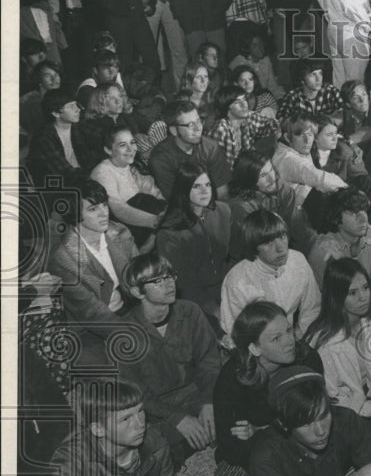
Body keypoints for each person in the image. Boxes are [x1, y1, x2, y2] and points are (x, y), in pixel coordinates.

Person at [249, 365, 371, 476]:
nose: (320, 430)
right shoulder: (266, 451)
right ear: (283, 425)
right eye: (307, 423)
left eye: (323, 415)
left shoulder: (345, 421)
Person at [120, 253, 220, 466]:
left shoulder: (190, 312)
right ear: (138, 292)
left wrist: (209, 401)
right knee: (154, 452)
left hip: (197, 397)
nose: (169, 284)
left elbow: (209, 362)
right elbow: (135, 393)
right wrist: (177, 418)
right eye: (157, 281)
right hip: (157, 412)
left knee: (236, 422)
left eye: (170, 276)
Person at [213, 301, 324, 476]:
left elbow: (315, 422)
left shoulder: (308, 360)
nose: (290, 341)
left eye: (289, 330)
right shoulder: (232, 378)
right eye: (276, 338)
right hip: (252, 456)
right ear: (254, 348)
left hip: (305, 449)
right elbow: (231, 446)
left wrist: (261, 430)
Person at [43, 379, 180, 476]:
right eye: (126, 419)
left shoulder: (155, 443)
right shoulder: (73, 459)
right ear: (98, 429)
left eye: (140, 411)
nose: (140, 424)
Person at [303, 257, 371, 425]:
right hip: (345, 415)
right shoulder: (324, 344)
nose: (363, 298)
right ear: (337, 297)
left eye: (365, 288)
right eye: (352, 293)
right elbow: (332, 399)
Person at [47, 178, 138, 325]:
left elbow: (141, 279)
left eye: (104, 205)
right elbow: (90, 312)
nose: (104, 213)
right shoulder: (63, 258)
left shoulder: (120, 232)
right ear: (74, 213)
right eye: (93, 209)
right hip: (96, 326)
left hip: (130, 309)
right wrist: (130, 331)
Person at [220, 209, 321, 340]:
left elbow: (312, 308)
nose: (280, 249)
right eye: (268, 242)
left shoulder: (298, 260)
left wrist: (300, 338)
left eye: (282, 236)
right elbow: (235, 333)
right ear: (254, 247)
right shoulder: (237, 281)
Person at [155, 161, 232, 323]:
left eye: (208, 184)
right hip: (195, 300)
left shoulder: (223, 211)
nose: (205, 191)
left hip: (229, 286)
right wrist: (213, 309)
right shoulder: (170, 231)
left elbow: (237, 253)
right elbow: (183, 283)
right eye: (196, 186)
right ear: (184, 189)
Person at [89, 124, 165, 248]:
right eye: (123, 145)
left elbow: (155, 193)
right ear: (108, 150)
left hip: (146, 224)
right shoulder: (102, 172)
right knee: (142, 200)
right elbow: (118, 209)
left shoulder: (130, 167)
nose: (131, 149)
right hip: (119, 230)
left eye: (132, 142)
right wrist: (156, 221)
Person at [148, 99, 231, 203]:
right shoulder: (160, 159)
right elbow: (175, 201)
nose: (198, 128)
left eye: (198, 121)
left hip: (211, 206)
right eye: (190, 125)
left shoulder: (211, 147)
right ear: (174, 131)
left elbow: (222, 192)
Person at [270, 112, 349, 206]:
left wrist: (353, 145)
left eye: (310, 135)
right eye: (300, 135)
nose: (307, 140)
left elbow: (334, 138)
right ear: (287, 137)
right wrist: (347, 189)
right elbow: (317, 177)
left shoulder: (296, 148)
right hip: (294, 211)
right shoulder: (287, 158)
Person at [28, 89, 100, 183]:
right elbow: (65, 173)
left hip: (83, 177)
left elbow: (104, 139)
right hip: (59, 187)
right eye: (71, 106)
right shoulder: (43, 138)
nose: (78, 109)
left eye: (76, 104)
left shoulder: (76, 125)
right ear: (56, 113)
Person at [208, 84, 280, 170]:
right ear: (227, 107)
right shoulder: (220, 131)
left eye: (244, 99)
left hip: (244, 170)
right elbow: (218, 169)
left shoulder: (248, 116)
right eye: (237, 102)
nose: (244, 105)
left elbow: (273, 125)